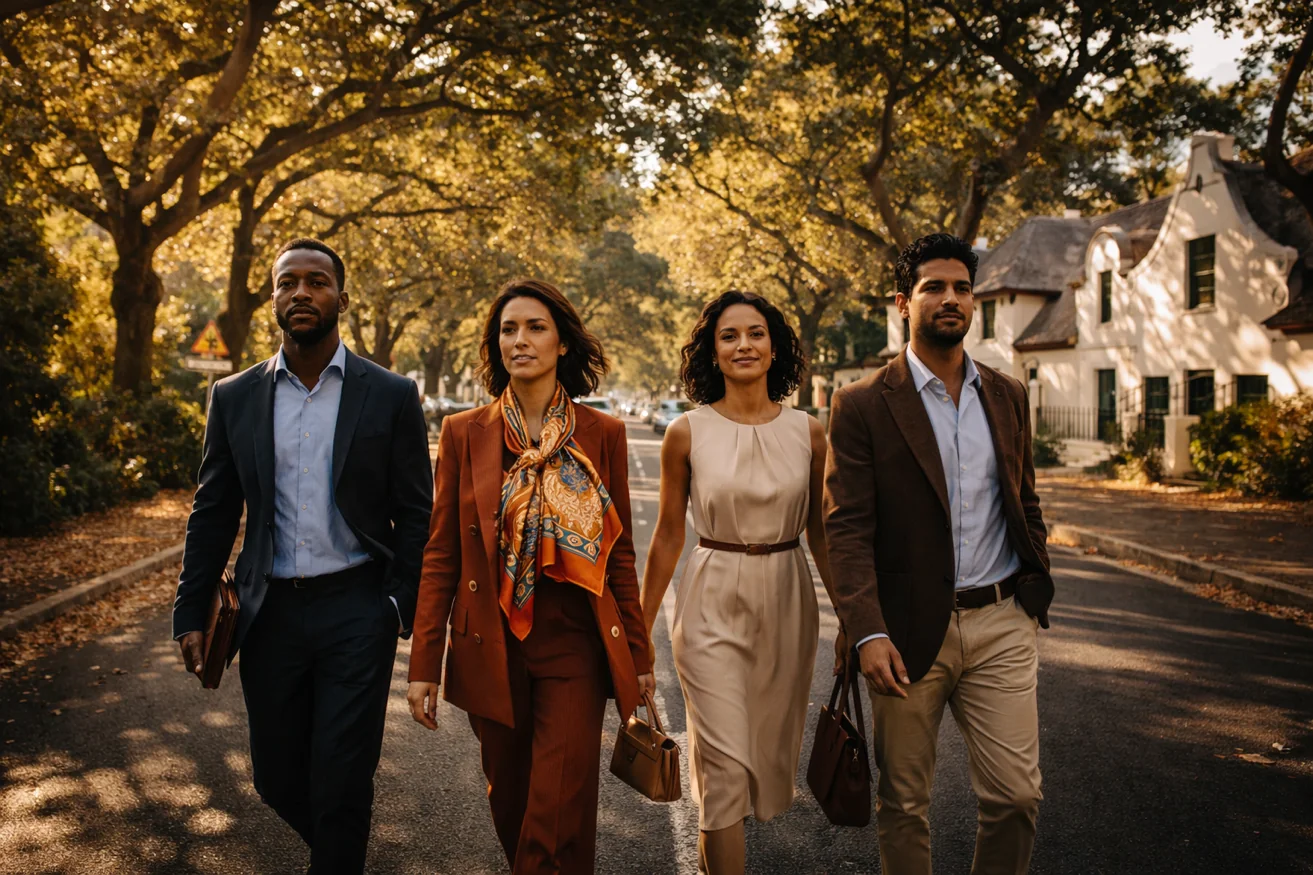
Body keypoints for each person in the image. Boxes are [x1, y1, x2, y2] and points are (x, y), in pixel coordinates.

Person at [172, 238, 432, 874]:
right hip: (270, 615)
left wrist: (397, 602)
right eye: (288, 283)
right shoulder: (234, 396)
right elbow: (214, 509)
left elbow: (417, 511)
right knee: (276, 777)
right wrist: (190, 611)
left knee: (342, 780)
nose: (302, 294)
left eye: (317, 282)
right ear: (273, 300)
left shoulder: (392, 393)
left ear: (341, 297)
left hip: (356, 610)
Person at [824, 233, 1054, 875]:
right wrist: (866, 630)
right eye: (934, 287)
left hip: (1001, 621)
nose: (951, 299)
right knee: (904, 803)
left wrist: (1038, 574)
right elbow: (846, 527)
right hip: (901, 631)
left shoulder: (1006, 394)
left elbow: (1023, 496)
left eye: (962, 287)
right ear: (904, 301)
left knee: (1016, 796)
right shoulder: (863, 403)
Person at [406, 279, 653, 875]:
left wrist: (639, 660)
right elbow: (441, 552)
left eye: (536, 327)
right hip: (488, 643)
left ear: (562, 342)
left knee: (555, 808)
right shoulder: (466, 432)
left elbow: (619, 556)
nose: (521, 340)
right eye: (509, 329)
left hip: (575, 644)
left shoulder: (605, 434)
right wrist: (423, 664)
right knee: (513, 805)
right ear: (497, 345)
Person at [639, 290, 837, 875]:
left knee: (763, 764)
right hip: (710, 598)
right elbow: (668, 537)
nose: (743, 344)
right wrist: (638, 632)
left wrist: (856, 620)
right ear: (713, 351)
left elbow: (824, 536)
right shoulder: (687, 431)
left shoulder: (811, 433)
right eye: (729, 336)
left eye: (755, 333)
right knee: (724, 771)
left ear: (775, 348)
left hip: (787, 597)